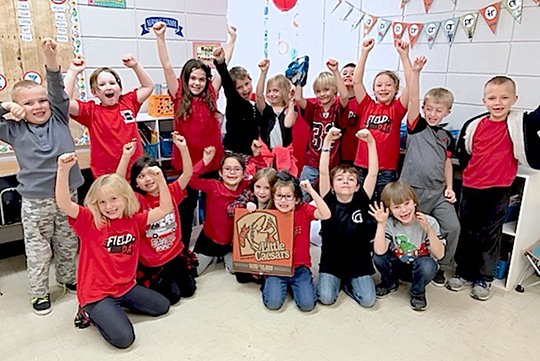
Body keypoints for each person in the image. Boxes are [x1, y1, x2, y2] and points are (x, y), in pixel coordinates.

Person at [0, 38, 83, 315]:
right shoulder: (13, 129)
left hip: (68, 195)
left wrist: (50, 55)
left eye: (41, 100)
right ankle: (39, 294)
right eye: (29, 103)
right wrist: (6, 107)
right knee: (38, 249)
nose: (38, 106)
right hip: (36, 201)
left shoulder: (59, 115)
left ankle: (68, 279)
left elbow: (57, 86)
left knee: (68, 241)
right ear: (19, 107)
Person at [56, 153, 171, 349]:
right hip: (96, 294)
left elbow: (165, 209)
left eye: (114, 199)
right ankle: (89, 311)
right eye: (102, 202)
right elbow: (64, 204)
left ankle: (113, 308)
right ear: (95, 204)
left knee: (162, 306)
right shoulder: (90, 221)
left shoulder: (134, 220)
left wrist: (160, 179)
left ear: (125, 198)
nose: (109, 206)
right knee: (124, 339)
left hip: (125, 288)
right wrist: (63, 170)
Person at [446, 76, 523, 301]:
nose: (498, 103)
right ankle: (463, 272)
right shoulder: (475, 124)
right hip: (471, 187)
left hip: (498, 189)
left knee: (489, 234)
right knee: (467, 230)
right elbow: (464, 151)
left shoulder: (518, 124)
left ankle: (484, 277)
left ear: (514, 99)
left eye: (504, 97)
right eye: (492, 98)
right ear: (484, 100)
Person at [153, 21, 228, 249]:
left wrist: (231, 41)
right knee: (186, 210)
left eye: (201, 79)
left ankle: (214, 245)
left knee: (215, 207)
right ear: (185, 80)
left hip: (213, 164)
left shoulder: (212, 94)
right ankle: (183, 249)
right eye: (192, 78)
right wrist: (160, 38)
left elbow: (224, 65)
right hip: (187, 166)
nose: (197, 83)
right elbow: (166, 66)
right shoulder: (178, 95)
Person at [399, 56, 460, 287]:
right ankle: (406, 262)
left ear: (447, 111)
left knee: (453, 227)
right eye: (430, 109)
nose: (433, 114)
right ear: (424, 109)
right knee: (411, 226)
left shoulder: (447, 136)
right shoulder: (416, 126)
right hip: (412, 191)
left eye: (439, 110)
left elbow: (447, 163)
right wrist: (416, 71)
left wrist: (450, 188)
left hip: (438, 192)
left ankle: (442, 266)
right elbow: (412, 98)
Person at [117, 134, 197, 305]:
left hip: (175, 253)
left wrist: (183, 148)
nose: (148, 179)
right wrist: (125, 157)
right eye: (141, 176)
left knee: (189, 291)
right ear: (136, 183)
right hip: (153, 261)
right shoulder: (137, 199)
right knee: (172, 298)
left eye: (152, 173)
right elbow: (117, 185)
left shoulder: (171, 190)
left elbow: (188, 173)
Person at [64, 53, 154, 178]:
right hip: (107, 175)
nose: (108, 87)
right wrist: (73, 72)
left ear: (120, 88)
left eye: (112, 83)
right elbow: (64, 102)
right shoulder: (91, 112)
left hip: (136, 171)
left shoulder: (128, 102)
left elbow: (148, 86)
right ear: (94, 92)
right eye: (102, 84)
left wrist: (135, 66)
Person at [317, 127, 378, 307]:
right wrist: (327, 141)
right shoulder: (327, 199)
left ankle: (349, 285)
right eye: (340, 179)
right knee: (326, 299)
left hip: (358, 263)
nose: (345, 181)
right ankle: (337, 282)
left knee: (368, 301)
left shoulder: (361, 199)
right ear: (333, 186)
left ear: (357, 186)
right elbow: (322, 171)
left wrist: (371, 142)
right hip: (331, 262)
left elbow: (373, 172)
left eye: (351, 179)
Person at [189, 143, 264, 276]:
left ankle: (226, 257)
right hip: (210, 240)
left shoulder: (247, 186)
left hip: (232, 243)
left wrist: (257, 155)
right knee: (193, 271)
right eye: (227, 169)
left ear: (243, 173)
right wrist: (205, 161)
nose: (232, 172)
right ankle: (215, 257)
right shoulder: (213, 186)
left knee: (239, 271)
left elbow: (264, 177)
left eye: (237, 169)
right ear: (220, 172)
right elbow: (190, 179)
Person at [369, 181, 445, 311]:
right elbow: (380, 251)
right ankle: (389, 283)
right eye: (397, 207)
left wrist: (429, 230)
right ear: (390, 210)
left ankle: (418, 293)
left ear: (414, 202)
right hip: (398, 264)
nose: (404, 210)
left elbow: (440, 254)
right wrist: (381, 224)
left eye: (407, 203)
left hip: (420, 266)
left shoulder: (429, 221)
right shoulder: (388, 223)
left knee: (428, 265)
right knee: (378, 256)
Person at [262, 172, 331, 312]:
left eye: (288, 197)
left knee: (307, 305)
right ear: (274, 197)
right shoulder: (269, 212)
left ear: (297, 199)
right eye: (279, 196)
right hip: (276, 267)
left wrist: (311, 191)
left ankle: (295, 286)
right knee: (273, 304)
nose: (283, 201)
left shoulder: (304, 210)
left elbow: (326, 214)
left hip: (300, 268)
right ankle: (271, 284)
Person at [353, 39, 412, 200]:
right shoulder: (366, 105)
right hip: (362, 166)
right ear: (373, 89)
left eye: (388, 85)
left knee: (380, 205)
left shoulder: (397, 109)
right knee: (360, 204)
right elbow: (356, 82)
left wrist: (405, 57)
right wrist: (364, 53)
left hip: (385, 170)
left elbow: (411, 84)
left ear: (395, 89)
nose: (383, 88)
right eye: (379, 85)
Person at [286, 59, 349, 201]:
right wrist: (299, 81)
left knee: (332, 197)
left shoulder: (338, 108)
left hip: (333, 162)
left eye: (326, 90)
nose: (322, 94)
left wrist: (335, 71)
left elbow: (345, 96)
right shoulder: (314, 109)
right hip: (312, 160)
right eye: (318, 91)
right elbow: (299, 98)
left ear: (334, 90)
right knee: (302, 193)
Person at [227, 167, 278, 283]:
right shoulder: (249, 196)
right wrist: (245, 207)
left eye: (267, 188)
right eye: (258, 187)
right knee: (241, 277)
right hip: (249, 246)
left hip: (267, 250)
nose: (261, 192)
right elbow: (230, 209)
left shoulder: (277, 203)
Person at [213, 46, 260, 156]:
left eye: (247, 84)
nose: (245, 89)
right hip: (234, 154)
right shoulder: (235, 103)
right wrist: (220, 63)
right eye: (239, 87)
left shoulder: (253, 105)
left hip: (250, 154)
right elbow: (227, 84)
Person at [337, 62, 362, 164]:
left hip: (356, 153)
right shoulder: (334, 101)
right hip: (336, 153)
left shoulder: (363, 102)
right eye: (345, 73)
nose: (348, 75)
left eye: (352, 73)